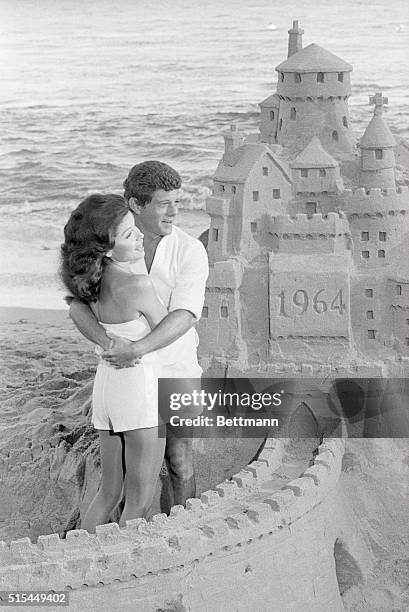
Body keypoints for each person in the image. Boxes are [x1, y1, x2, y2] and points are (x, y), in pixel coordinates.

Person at [69, 161, 209, 509]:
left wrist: (139, 347)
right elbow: (76, 306)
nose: (176, 212)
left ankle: (182, 525)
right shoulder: (109, 245)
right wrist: (108, 344)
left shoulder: (190, 250)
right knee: (123, 474)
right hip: (124, 374)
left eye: (178, 201)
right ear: (136, 204)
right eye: (165, 203)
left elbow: (185, 315)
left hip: (176, 369)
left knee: (178, 458)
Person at [61, 193, 172, 531]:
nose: (138, 235)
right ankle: (117, 567)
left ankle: (82, 559)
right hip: (139, 391)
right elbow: (170, 327)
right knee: (138, 499)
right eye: (128, 235)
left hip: (107, 391)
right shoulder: (138, 284)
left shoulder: (89, 284)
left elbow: (75, 309)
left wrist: (107, 341)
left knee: (107, 492)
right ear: (106, 249)